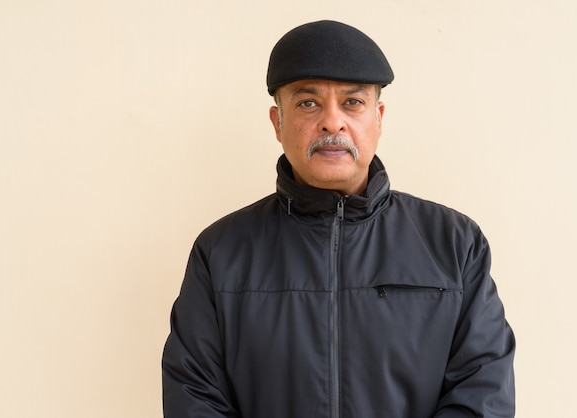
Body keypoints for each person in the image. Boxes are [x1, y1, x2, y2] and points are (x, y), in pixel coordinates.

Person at [162, 20, 515, 418]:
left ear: (378, 117)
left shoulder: (454, 244)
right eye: (308, 103)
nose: (332, 122)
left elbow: (482, 396)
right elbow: (194, 399)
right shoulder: (220, 253)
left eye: (353, 102)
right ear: (278, 123)